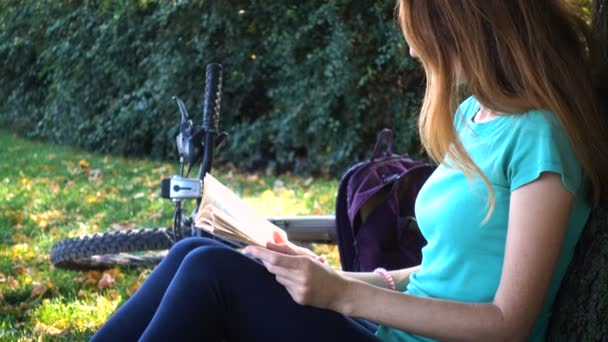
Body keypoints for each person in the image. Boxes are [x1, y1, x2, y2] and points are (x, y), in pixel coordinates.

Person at [91, 0, 608, 341]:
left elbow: (508, 322)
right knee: (194, 249)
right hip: (390, 327)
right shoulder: (472, 114)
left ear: (465, 30)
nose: (410, 47)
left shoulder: (542, 136)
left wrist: (342, 295)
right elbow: (439, 273)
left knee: (210, 275)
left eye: (420, 32)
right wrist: (322, 275)